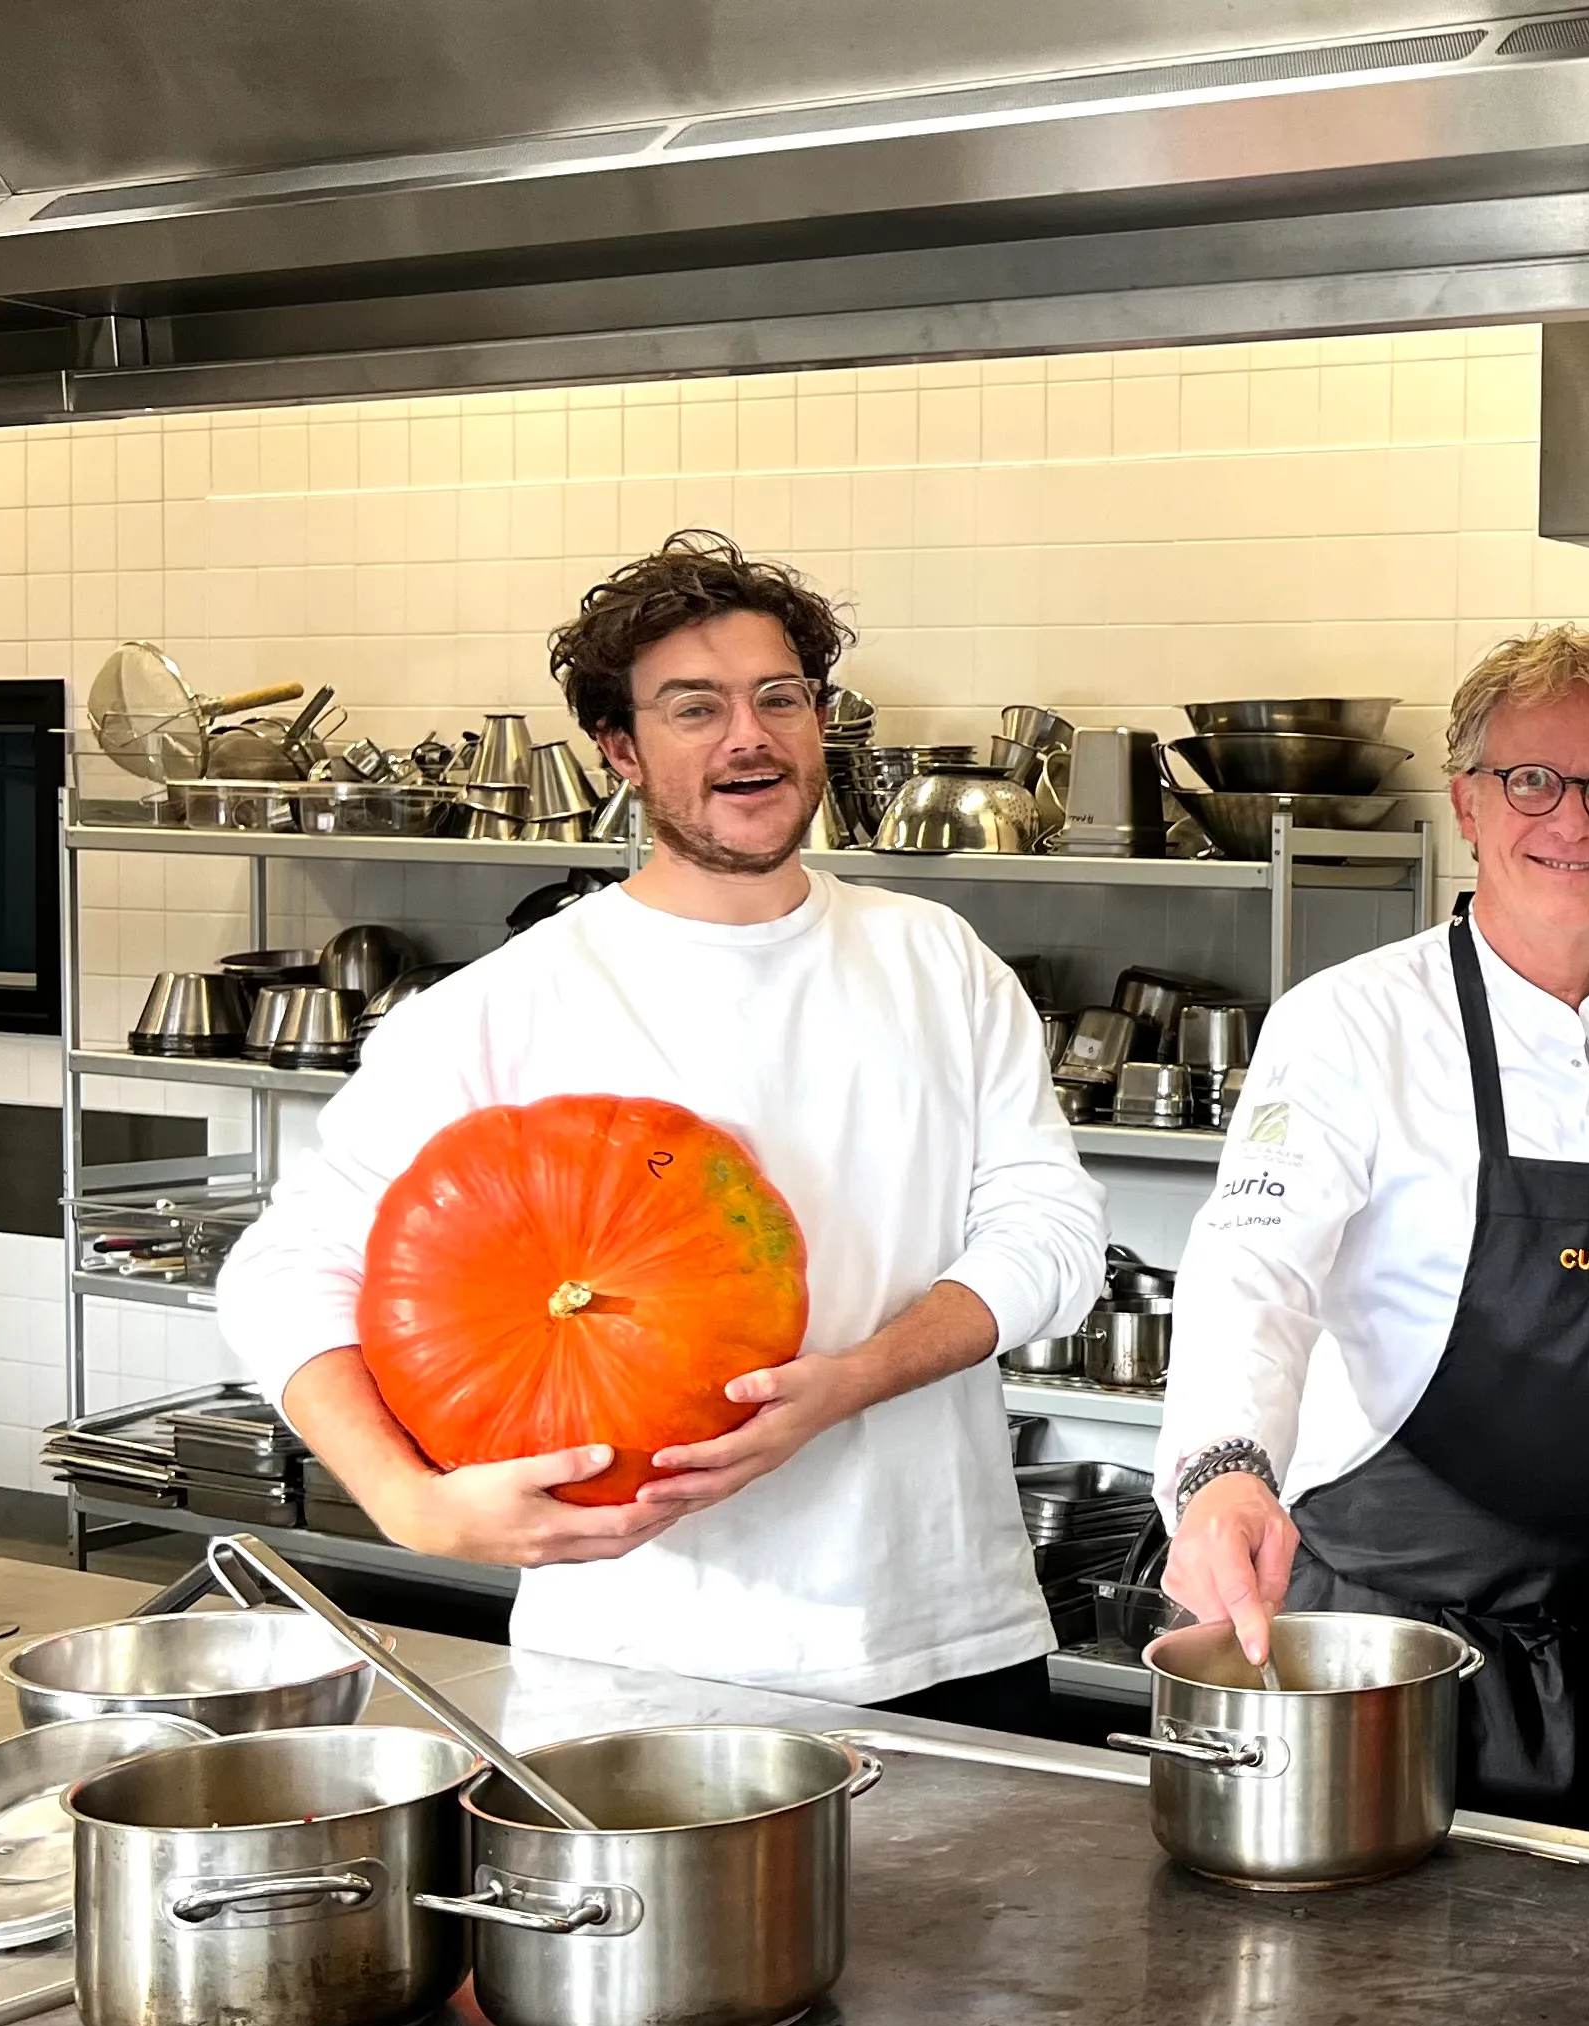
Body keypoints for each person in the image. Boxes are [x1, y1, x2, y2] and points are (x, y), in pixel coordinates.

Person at [216, 532, 1108, 1723]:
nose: (750, 736)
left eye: (779, 696)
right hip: (638, 1654)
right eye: (695, 708)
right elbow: (285, 1270)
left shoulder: (935, 958)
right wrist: (408, 1501)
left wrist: (852, 1380)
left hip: (943, 1625)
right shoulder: (504, 1004)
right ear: (621, 749)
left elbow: (1051, 1233)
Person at [1155, 627, 1589, 1843]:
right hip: (1391, 1642)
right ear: (1468, 803)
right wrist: (1222, 1470)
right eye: (1531, 780)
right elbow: (1253, 1269)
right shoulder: (1347, 1025)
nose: (1570, 819)